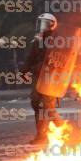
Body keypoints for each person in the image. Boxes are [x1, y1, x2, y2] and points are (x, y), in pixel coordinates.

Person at [21, 13, 64, 145]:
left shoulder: (58, 41)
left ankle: (64, 130)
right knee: (36, 104)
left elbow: (55, 60)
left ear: (52, 25)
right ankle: (41, 136)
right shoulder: (37, 41)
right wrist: (23, 71)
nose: (42, 26)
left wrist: (35, 68)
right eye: (41, 23)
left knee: (48, 107)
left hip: (51, 78)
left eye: (45, 23)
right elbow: (31, 57)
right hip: (38, 77)